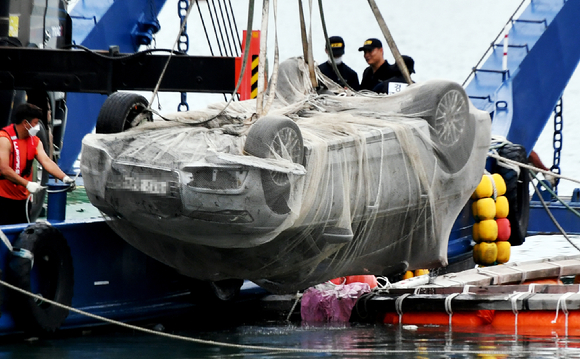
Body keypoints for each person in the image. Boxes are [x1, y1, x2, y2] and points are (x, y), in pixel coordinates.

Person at [0, 103, 75, 225]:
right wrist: (28, 184)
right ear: (25, 123)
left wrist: (64, 178)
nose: (37, 127)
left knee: (22, 234)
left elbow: (46, 161)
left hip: (22, 201)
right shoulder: (4, 139)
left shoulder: (34, 141)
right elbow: (4, 169)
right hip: (2, 199)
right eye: (35, 123)